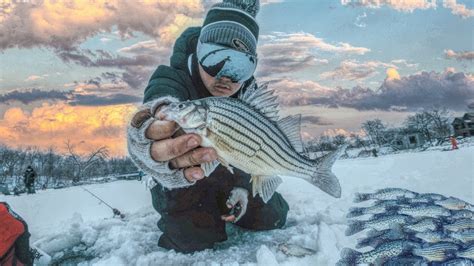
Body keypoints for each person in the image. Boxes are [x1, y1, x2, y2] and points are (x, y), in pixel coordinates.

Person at [127, 0, 289, 253]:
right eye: (215, 59)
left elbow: (253, 149)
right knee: (191, 239)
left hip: (231, 170)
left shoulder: (247, 91)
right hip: (183, 183)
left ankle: (231, 201)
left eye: (239, 65)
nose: (226, 76)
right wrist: (146, 134)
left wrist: (243, 188)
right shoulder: (172, 77)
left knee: (273, 216)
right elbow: (159, 100)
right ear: (200, 52)